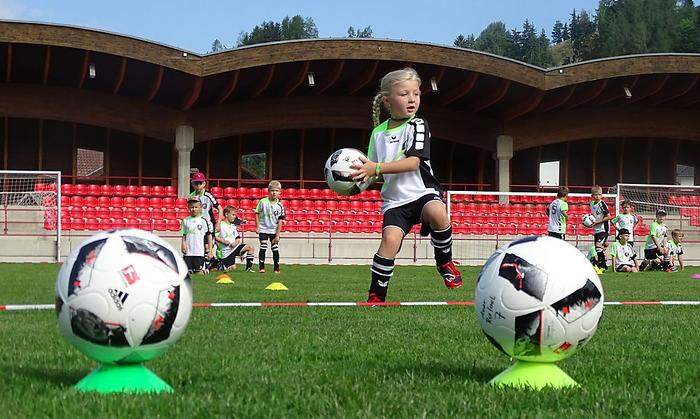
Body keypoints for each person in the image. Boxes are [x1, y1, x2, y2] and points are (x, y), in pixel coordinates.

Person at [349, 67, 462, 304]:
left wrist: (375, 168)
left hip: (422, 192)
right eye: (404, 94)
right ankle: (376, 295)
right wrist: (354, 181)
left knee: (438, 211)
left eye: (416, 94)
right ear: (388, 101)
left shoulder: (418, 125)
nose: (412, 99)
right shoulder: (378, 133)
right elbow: (371, 170)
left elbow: (412, 163)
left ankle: (444, 262)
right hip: (395, 201)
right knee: (389, 241)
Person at [188, 172, 223, 270]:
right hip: (197, 225)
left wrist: (219, 222)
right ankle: (213, 263)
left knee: (208, 247)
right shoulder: (191, 196)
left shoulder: (208, 195)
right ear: (192, 184)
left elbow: (220, 208)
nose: (198, 185)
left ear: (204, 184)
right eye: (196, 183)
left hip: (208, 225)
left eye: (200, 183)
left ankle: (207, 266)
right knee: (200, 246)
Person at [255, 180, 286, 273]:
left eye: (276, 191)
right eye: (272, 190)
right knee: (263, 246)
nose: (274, 193)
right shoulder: (262, 202)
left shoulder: (280, 205)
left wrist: (277, 235)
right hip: (263, 228)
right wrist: (257, 226)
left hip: (273, 229)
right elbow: (257, 213)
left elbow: (280, 221)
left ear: (280, 192)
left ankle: (276, 268)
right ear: (268, 191)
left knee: (274, 248)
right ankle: (261, 267)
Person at [215, 205, 255, 272]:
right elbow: (214, 236)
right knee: (232, 268)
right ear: (226, 214)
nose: (235, 217)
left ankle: (248, 269)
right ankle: (218, 264)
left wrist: (235, 243)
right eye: (233, 215)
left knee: (250, 247)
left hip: (234, 248)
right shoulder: (220, 224)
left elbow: (238, 238)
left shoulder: (233, 226)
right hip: (225, 252)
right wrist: (223, 241)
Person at [181, 198, 214, 274]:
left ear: (200, 207)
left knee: (198, 273)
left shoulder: (203, 221)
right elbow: (184, 234)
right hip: (188, 252)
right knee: (187, 273)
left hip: (199, 252)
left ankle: (205, 269)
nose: (194, 209)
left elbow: (209, 236)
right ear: (188, 208)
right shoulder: (185, 220)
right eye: (192, 207)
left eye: (196, 207)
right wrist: (183, 244)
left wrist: (210, 250)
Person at [589, 186, 612, 271]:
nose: (597, 196)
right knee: (598, 247)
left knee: (598, 247)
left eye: (599, 194)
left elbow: (609, 216)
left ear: (602, 195)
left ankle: (601, 266)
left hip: (603, 228)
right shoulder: (591, 204)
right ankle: (603, 265)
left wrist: (597, 222)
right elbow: (594, 216)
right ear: (592, 195)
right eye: (595, 195)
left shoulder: (602, 204)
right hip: (596, 229)